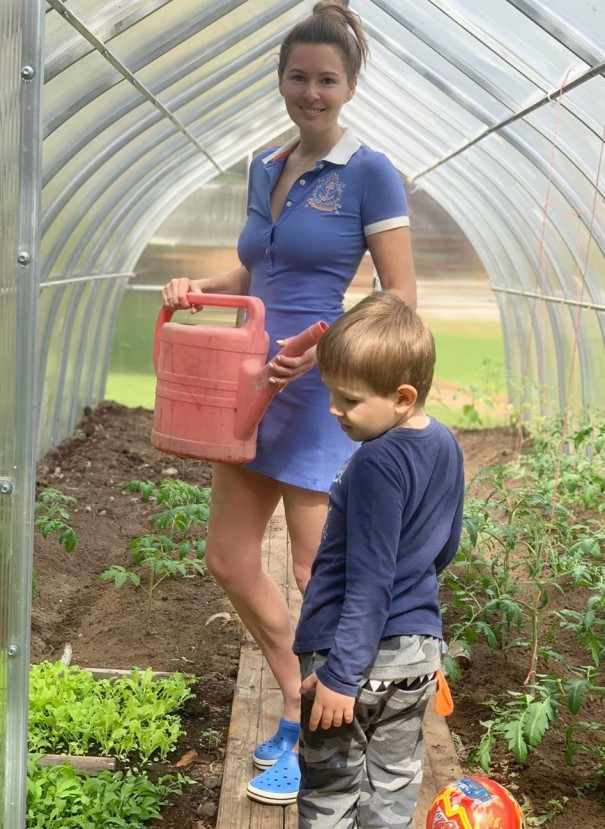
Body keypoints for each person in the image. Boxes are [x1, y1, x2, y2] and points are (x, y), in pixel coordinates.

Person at [160, 0, 416, 803]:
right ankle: (296, 697)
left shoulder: (368, 172)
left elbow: (400, 295)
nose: (312, 92)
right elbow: (259, 273)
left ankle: (324, 734)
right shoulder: (264, 167)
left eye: (327, 80)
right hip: (254, 387)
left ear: (350, 86)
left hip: (318, 392)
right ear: (280, 79)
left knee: (315, 569)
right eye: (299, 77)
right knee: (230, 559)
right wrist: (200, 287)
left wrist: (321, 344)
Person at [290, 292, 465, 827]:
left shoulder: (374, 464)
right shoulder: (445, 444)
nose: (334, 410)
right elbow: (447, 545)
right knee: (393, 785)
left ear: (402, 396)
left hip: (354, 661)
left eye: (348, 399)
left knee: (331, 789)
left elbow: (368, 585)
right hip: (417, 658)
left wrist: (341, 676)